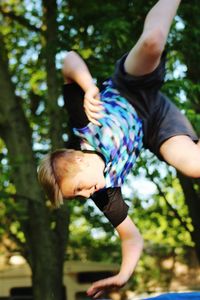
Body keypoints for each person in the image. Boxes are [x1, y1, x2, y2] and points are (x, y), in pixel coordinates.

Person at [38, 0, 200, 298]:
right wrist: (122, 275)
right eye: (81, 196)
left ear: (78, 159)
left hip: (129, 87)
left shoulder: (83, 126)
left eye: (80, 188)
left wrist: (87, 87)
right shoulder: (106, 193)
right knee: (194, 166)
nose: (89, 195)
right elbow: (131, 238)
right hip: (155, 125)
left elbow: (69, 59)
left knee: (151, 43)